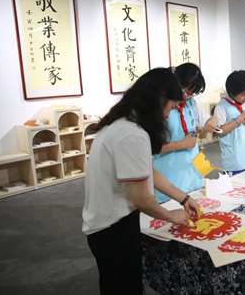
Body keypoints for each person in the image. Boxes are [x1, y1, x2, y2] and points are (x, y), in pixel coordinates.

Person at [82, 69, 201, 295]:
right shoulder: (132, 134)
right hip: (113, 228)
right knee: (124, 287)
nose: (168, 115)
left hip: (107, 223)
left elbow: (148, 172)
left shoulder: (121, 124)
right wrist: (171, 215)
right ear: (159, 100)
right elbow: (142, 198)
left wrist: (183, 198)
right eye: (171, 107)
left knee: (118, 285)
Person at [153, 63, 218, 203]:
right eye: (186, 91)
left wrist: (214, 118)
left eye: (193, 93)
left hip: (193, 176)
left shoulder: (190, 103)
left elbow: (207, 120)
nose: (188, 96)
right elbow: (151, 147)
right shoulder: (159, 107)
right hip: (169, 176)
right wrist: (182, 144)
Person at [214, 70, 245, 176]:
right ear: (232, 93)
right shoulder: (222, 107)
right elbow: (219, 131)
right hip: (234, 162)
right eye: (243, 94)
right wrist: (238, 120)